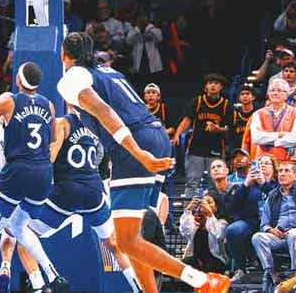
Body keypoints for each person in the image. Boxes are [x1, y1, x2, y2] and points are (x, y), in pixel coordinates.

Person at [56, 32, 223, 293]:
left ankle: (202, 281)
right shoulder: (109, 72)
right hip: (157, 135)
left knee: (125, 241)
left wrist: (137, 152)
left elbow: (104, 111)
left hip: (135, 143)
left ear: (64, 54)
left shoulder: (71, 77)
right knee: (133, 238)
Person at [0, 63, 66, 293]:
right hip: (43, 174)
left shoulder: (9, 102)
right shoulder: (49, 105)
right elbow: (52, 138)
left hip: (17, 171)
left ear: (19, 80)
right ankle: (50, 273)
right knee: (19, 227)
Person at [33, 99, 140, 293]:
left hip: (66, 191)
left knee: (25, 234)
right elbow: (101, 159)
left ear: (68, 102)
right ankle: (138, 287)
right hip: (93, 191)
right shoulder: (96, 127)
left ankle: (50, 279)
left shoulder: (62, 123)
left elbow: (49, 159)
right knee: (113, 244)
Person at [252, 162, 296, 293]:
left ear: (295, 175)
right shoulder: (272, 195)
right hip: (280, 237)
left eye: (286, 171)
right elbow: (264, 224)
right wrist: (272, 231)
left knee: (293, 234)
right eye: (280, 171)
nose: (282, 174)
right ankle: (272, 275)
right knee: (257, 237)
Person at [226, 154, 278, 281]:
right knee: (233, 230)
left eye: (267, 163)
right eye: (260, 163)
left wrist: (263, 184)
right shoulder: (248, 185)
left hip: (273, 224)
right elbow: (233, 206)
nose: (263, 165)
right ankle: (240, 268)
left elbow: (277, 201)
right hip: (251, 222)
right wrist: (245, 185)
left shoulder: (277, 184)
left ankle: (270, 270)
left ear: (273, 168)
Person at [173, 73, 230, 180]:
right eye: (210, 83)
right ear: (205, 87)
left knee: (215, 181)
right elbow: (187, 120)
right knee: (192, 180)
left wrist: (218, 129)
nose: (213, 85)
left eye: (216, 83)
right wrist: (177, 134)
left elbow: (230, 128)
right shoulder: (197, 101)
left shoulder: (226, 105)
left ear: (221, 87)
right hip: (196, 148)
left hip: (216, 148)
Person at [247, 78, 296, 164]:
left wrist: (273, 142)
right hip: (264, 162)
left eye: (279, 90)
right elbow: (256, 138)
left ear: (286, 94)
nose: (275, 93)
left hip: (289, 162)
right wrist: (280, 135)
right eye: (272, 90)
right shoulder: (257, 114)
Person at [179, 193, 228, 273]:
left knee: (210, 266)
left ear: (216, 207)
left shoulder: (222, 223)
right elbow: (184, 231)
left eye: (209, 202)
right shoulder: (196, 223)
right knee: (184, 265)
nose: (205, 205)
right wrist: (188, 210)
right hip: (197, 260)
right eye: (203, 203)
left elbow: (218, 235)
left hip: (215, 260)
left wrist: (210, 213)